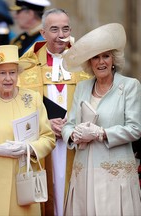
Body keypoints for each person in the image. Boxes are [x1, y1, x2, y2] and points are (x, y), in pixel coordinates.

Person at [0, 44, 56, 216]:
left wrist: (29, 148)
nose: (8, 78)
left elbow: (48, 138)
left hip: (24, 181)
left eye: (12, 72)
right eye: (2, 73)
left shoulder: (33, 98)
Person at [61, 23, 141, 215]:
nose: (101, 62)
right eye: (95, 57)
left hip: (115, 174)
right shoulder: (82, 87)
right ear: (89, 63)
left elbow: (135, 128)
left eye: (105, 55)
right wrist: (73, 134)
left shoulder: (129, 86)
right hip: (84, 171)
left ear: (113, 59)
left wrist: (101, 133)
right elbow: (68, 124)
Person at [18, 8, 90, 216]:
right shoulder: (28, 64)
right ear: (43, 33)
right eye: (54, 29)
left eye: (65, 29)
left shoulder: (85, 63)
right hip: (44, 141)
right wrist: (44, 125)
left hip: (76, 141)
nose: (61, 35)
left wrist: (76, 123)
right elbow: (19, 106)